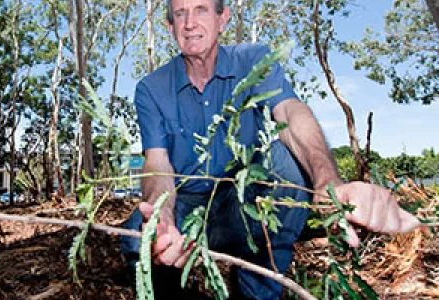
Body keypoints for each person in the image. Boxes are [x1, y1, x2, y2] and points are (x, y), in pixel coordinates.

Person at [120, 0, 420, 299]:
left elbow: (290, 113)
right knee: (139, 239)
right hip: (186, 203)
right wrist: (164, 218)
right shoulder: (151, 88)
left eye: (201, 10)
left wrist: (328, 182)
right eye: (180, 14)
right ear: (170, 26)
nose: (189, 23)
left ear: (223, 18)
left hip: (241, 201)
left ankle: (257, 290)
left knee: (283, 163)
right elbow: (156, 162)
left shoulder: (253, 59)